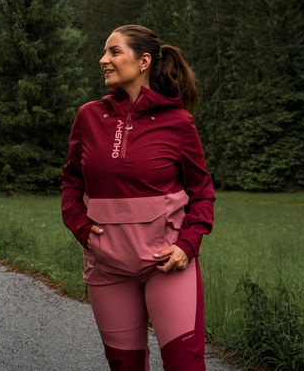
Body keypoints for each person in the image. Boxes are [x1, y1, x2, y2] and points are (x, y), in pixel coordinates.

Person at [61, 24, 216, 370]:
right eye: (104, 52)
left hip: (166, 264)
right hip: (108, 265)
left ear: (144, 61)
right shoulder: (88, 116)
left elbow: (202, 191)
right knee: (124, 364)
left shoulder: (178, 121)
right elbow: (71, 179)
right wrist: (78, 225)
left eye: (114, 52)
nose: (103, 60)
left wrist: (188, 245)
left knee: (185, 365)